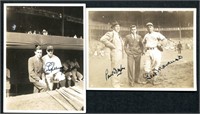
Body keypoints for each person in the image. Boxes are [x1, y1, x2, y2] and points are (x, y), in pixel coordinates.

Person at [100, 21, 124, 88]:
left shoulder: (118, 35)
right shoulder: (111, 33)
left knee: (119, 68)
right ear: (113, 28)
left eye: (119, 26)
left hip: (119, 53)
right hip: (115, 53)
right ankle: (115, 84)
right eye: (116, 26)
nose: (118, 28)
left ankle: (118, 82)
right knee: (115, 68)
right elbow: (102, 39)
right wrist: (112, 45)